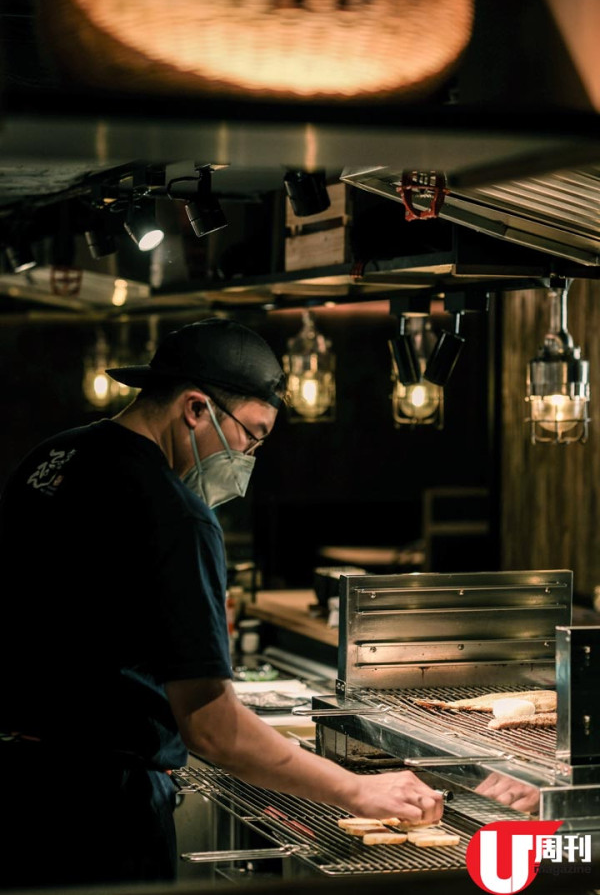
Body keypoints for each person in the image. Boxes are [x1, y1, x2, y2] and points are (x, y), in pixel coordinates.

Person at [0, 317, 443, 890]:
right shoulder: (176, 513)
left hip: (15, 783)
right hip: (98, 811)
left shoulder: (52, 459)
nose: (249, 457)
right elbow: (215, 732)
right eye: (251, 435)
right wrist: (357, 787)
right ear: (195, 409)